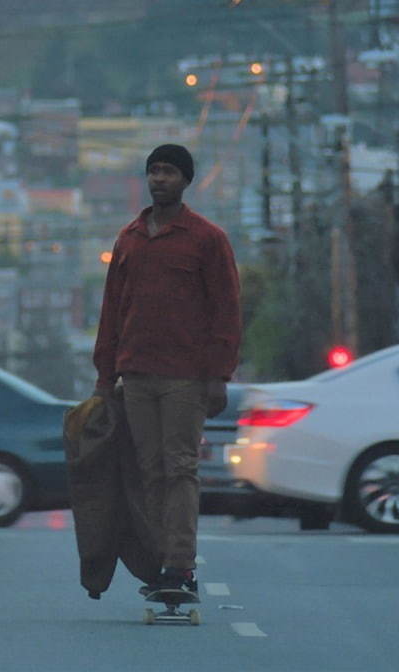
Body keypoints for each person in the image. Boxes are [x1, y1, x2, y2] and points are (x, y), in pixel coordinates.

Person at [92, 143, 242, 601]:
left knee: (180, 470)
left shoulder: (206, 238)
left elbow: (227, 310)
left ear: (185, 180)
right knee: (150, 473)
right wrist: (104, 376)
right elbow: (112, 312)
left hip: (185, 376)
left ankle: (180, 567)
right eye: (154, 171)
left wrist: (219, 375)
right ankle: (159, 563)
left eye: (169, 172)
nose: (160, 179)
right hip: (136, 373)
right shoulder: (129, 238)